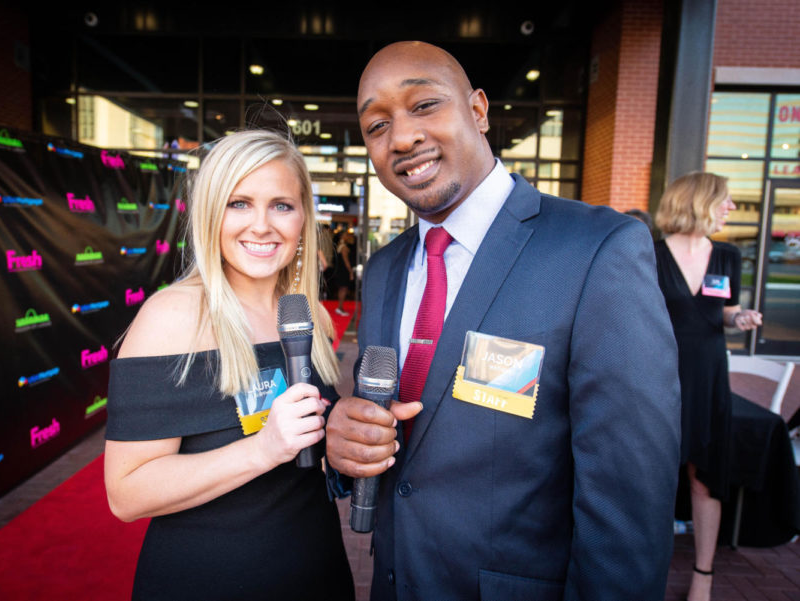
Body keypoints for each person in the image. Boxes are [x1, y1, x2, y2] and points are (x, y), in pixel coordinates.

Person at [325, 40, 681, 600]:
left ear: (479, 111)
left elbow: (629, 499)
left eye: (423, 106)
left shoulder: (596, 251)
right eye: (376, 125)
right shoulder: (386, 268)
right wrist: (349, 446)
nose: (402, 137)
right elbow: (402, 436)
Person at [104, 129, 354, 601]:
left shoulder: (307, 314)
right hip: (207, 578)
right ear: (209, 213)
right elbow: (126, 493)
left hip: (315, 567)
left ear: (303, 218)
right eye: (239, 203)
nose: (262, 225)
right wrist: (263, 449)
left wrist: (350, 439)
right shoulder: (173, 315)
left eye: (282, 205)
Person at [653, 172, 762, 601]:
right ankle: (649, 569)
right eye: (726, 200)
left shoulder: (728, 256)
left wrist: (741, 318)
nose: (731, 208)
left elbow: (725, 311)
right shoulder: (651, 253)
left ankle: (704, 575)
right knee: (658, 477)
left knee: (705, 479)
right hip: (662, 378)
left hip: (710, 376)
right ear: (698, 201)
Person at [333, 228, 356, 316]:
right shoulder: (344, 247)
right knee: (344, 288)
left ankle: (340, 307)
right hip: (344, 271)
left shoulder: (340, 245)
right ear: (342, 236)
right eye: (346, 235)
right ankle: (340, 307)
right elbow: (346, 261)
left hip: (340, 270)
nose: (348, 236)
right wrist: (350, 272)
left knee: (342, 288)